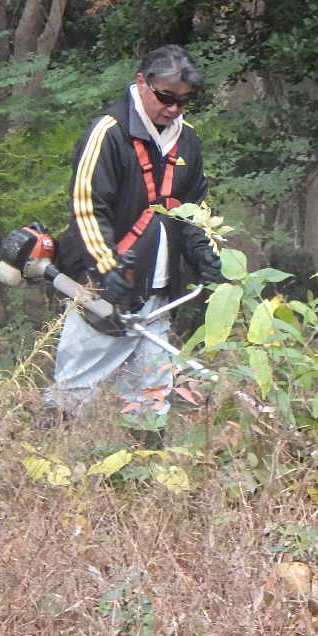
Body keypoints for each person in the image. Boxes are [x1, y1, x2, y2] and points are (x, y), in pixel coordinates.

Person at [42, 45, 222, 429]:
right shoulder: (108, 133)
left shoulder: (186, 140)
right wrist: (108, 272)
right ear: (142, 82)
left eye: (184, 101)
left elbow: (192, 207)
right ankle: (42, 465)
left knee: (151, 399)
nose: (174, 108)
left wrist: (201, 251)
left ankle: (144, 475)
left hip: (158, 293)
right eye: (166, 97)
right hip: (101, 290)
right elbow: (88, 209)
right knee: (72, 394)